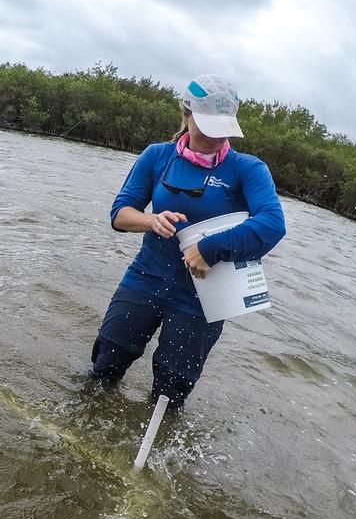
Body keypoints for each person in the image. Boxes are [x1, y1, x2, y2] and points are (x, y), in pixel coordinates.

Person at [88, 75, 286, 407]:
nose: (214, 136)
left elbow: (272, 224)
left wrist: (209, 249)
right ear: (186, 114)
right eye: (206, 125)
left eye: (222, 128)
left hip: (203, 297)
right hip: (146, 279)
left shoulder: (248, 169)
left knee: (169, 392)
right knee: (106, 362)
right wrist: (151, 220)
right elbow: (119, 214)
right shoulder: (157, 157)